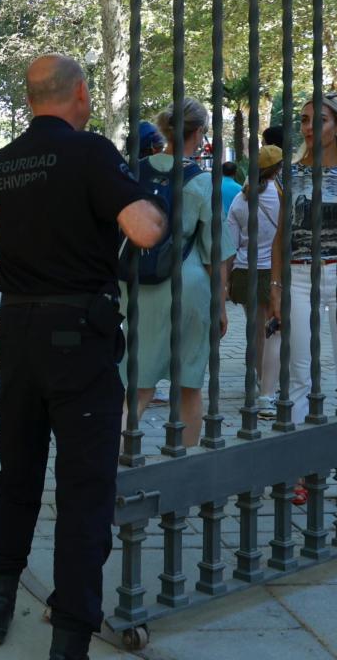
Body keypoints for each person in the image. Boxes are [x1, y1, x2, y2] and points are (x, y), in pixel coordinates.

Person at [0, 54, 166, 660]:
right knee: (84, 490)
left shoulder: (7, 158)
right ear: (78, 94)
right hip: (77, 338)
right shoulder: (91, 152)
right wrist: (153, 203)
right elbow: (145, 232)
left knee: (18, 471)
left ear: (31, 100)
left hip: (17, 333)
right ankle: (69, 638)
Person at [268, 93, 337, 506]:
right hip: (298, 276)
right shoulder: (289, 176)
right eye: (304, 120)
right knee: (299, 377)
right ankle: (301, 471)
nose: (310, 127)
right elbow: (280, 237)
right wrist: (275, 289)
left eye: (319, 120)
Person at [121, 98, 233, 449]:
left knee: (137, 388)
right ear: (198, 132)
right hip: (187, 287)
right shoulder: (200, 182)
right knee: (189, 388)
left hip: (137, 284)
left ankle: (113, 470)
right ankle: (182, 472)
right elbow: (218, 252)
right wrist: (221, 303)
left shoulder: (134, 172)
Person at [227, 144, 284, 419]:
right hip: (272, 272)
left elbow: (231, 242)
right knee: (272, 329)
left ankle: (259, 376)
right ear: (278, 169)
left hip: (243, 271)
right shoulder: (282, 196)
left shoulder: (240, 199)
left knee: (255, 329)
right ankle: (267, 384)